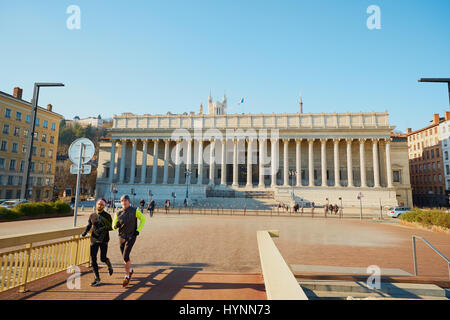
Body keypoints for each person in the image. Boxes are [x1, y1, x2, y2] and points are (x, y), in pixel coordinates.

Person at [112, 194, 146, 287]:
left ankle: (127, 276)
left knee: (126, 256)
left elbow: (143, 219)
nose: (124, 203)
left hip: (131, 236)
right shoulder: (118, 213)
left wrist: (138, 230)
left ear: (129, 202)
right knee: (124, 257)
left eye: (125, 202)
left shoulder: (135, 211)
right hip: (121, 237)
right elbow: (113, 226)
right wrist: (116, 226)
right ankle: (130, 270)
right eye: (122, 202)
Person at [81, 198, 114, 287]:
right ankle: (97, 278)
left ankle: (109, 264)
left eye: (101, 204)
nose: (99, 205)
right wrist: (85, 232)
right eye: (98, 204)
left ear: (104, 205)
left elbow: (111, 227)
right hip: (94, 239)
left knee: (103, 258)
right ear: (96, 205)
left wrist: (102, 229)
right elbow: (89, 225)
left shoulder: (107, 216)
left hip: (104, 239)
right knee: (93, 260)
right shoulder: (92, 215)